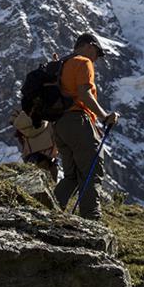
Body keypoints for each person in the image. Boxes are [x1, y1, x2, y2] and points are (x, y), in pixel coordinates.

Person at [51, 33, 120, 220]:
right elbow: (84, 94)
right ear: (89, 46)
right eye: (97, 52)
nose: (96, 58)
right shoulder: (83, 62)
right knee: (92, 171)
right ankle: (92, 220)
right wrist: (105, 116)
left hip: (59, 125)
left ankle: (49, 212)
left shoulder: (62, 64)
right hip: (78, 122)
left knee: (71, 177)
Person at [12, 108, 60, 183]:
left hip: (30, 155)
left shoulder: (20, 117)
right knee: (51, 187)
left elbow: (19, 136)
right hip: (49, 156)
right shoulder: (49, 111)